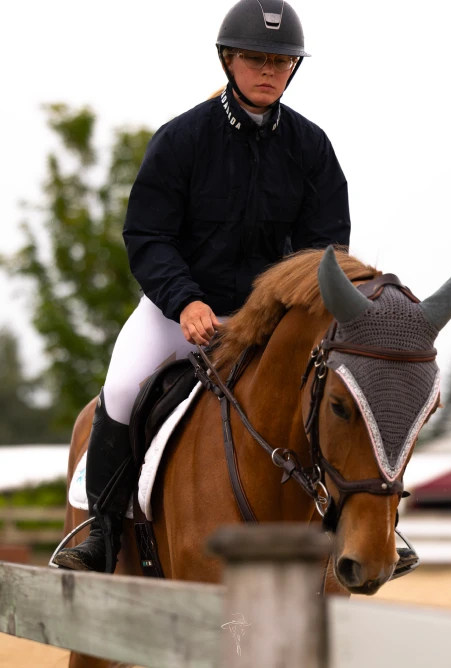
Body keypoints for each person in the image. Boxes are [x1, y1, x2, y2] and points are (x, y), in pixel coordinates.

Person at [53, 0, 351, 573]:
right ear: (228, 61)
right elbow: (146, 234)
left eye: (283, 61)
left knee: (339, 388)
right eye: (256, 58)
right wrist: (185, 299)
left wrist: (295, 313)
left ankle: (362, 524)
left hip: (268, 322)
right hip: (178, 312)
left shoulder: (312, 148)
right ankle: (101, 531)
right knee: (120, 390)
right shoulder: (183, 139)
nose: (270, 70)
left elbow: (326, 249)